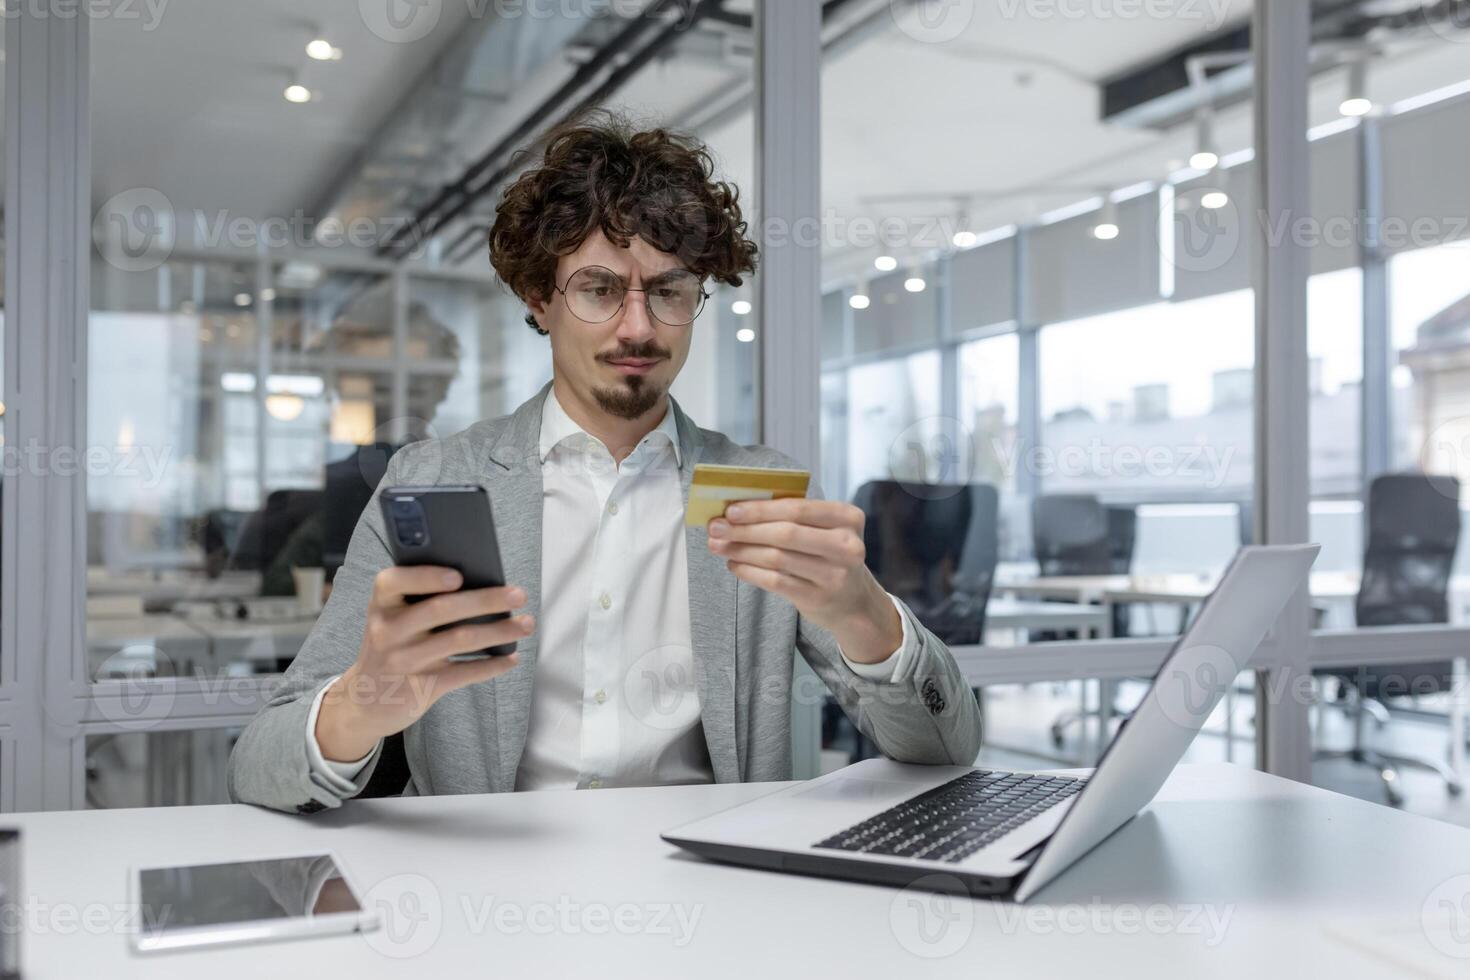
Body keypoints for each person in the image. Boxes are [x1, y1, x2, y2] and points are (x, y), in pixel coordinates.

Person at [228, 112, 982, 814]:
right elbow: (256, 765)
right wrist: (364, 702)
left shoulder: (759, 495)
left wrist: (864, 616)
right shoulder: (429, 481)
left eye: (669, 291)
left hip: (713, 897)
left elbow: (946, 748)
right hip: (483, 902)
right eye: (598, 289)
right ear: (539, 298)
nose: (638, 326)